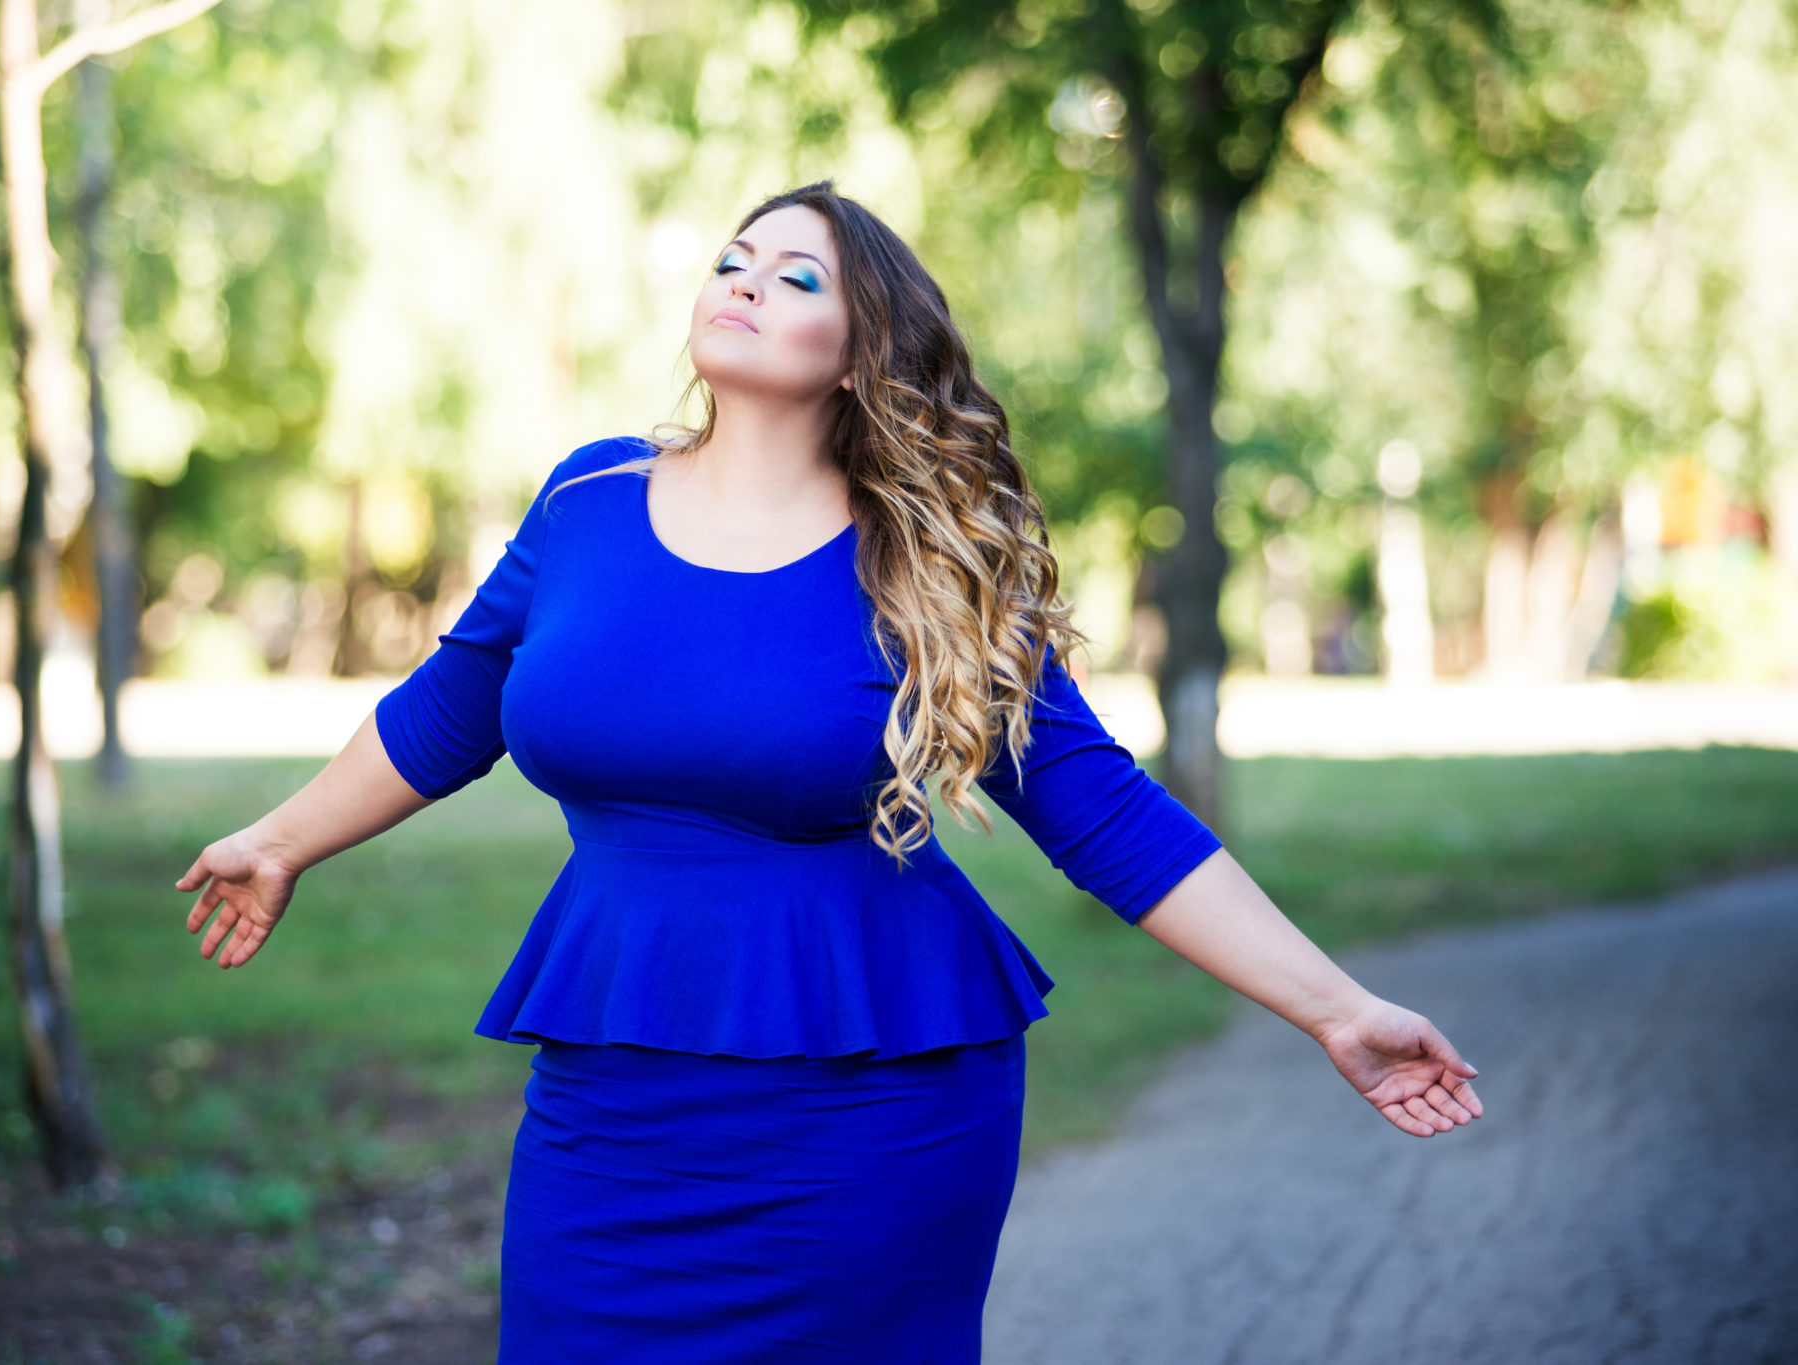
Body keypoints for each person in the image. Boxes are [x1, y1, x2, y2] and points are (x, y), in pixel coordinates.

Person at [175, 181, 1483, 1363]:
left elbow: (1101, 810)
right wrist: (284, 838)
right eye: (735, 260)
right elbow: (455, 704)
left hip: (871, 1102)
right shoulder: (587, 501)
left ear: (860, 355)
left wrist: (1333, 1007)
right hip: (615, 1086)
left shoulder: (927, 564)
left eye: (797, 276)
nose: (744, 281)